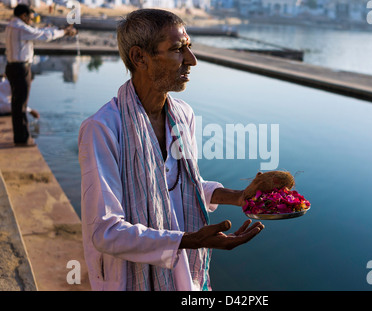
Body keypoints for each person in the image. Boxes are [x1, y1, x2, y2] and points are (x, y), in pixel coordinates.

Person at [78, 9, 265, 291]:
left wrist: (239, 197)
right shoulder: (102, 128)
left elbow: (182, 186)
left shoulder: (182, 115)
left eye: (189, 47)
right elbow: (105, 232)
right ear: (140, 57)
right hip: (130, 277)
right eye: (178, 49)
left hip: (182, 272)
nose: (192, 60)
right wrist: (189, 241)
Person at [5, 4, 76, 146]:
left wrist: (60, 30)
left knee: (17, 103)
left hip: (12, 67)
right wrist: (64, 32)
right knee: (21, 104)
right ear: (24, 15)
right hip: (20, 69)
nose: (31, 21)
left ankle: (20, 137)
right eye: (30, 18)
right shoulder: (20, 27)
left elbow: (37, 31)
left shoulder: (11, 25)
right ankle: (22, 139)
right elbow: (43, 35)